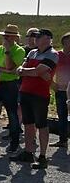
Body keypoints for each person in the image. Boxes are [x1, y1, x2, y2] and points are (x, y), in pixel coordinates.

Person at [13, 29, 58, 169]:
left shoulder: (53, 54)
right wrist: (29, 72)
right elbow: (22, 68)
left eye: (38, 36)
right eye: (34, 36)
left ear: (48, 38)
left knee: (41, 125)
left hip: (40, 94)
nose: (35, 39)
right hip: (26, 91)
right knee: (28, 123)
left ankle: (43, 156)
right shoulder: (32, 52)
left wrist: (27, 71)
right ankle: (28, 151)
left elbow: (37, 71)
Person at [0, 24, 26, 153]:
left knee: (12, 114)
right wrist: (4, 70)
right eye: (4, 35)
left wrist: (7, 52)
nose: (5, 38)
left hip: (10, 85)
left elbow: (11, 69)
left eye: (8, 36)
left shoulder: (19, 51)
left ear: (14, 38)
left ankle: (14, 142)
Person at [51, 32, 70, 148]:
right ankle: (62, 140)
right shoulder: (57, 55)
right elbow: (49, 71)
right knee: (62, 116)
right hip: (60, 90)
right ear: (64, 42)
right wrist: (52, 84)